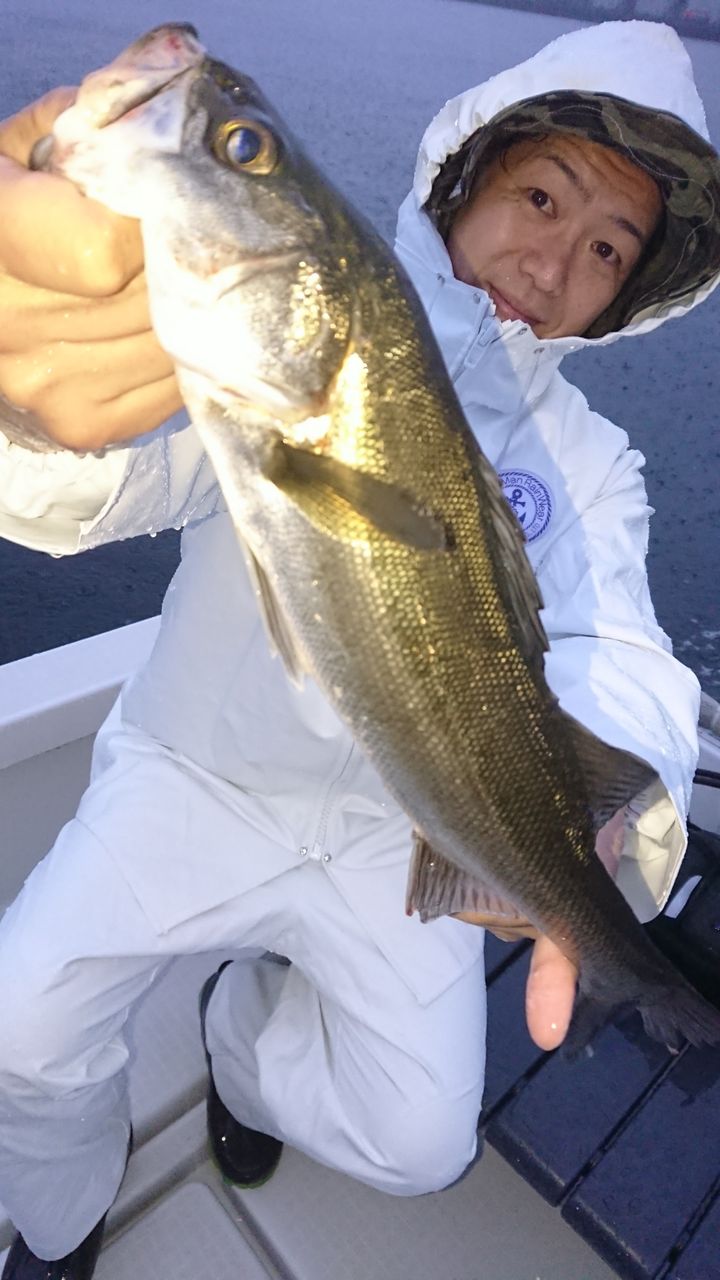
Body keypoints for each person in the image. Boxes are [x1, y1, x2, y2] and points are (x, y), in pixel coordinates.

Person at [0, 18, 717, 1280]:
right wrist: (30, 414)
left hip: (416, 831)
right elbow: (94, 486)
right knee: (14, 1026)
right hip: (197, 773)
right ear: (464, 177)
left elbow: (624, 649)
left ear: (629, 291)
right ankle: (61, 1216)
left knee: (421, 1142)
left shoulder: (594, 463)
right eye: (540, 196)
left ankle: (241, 1045)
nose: (554, 260)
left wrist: (606, 805)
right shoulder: (281, 325)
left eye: (607, 247)